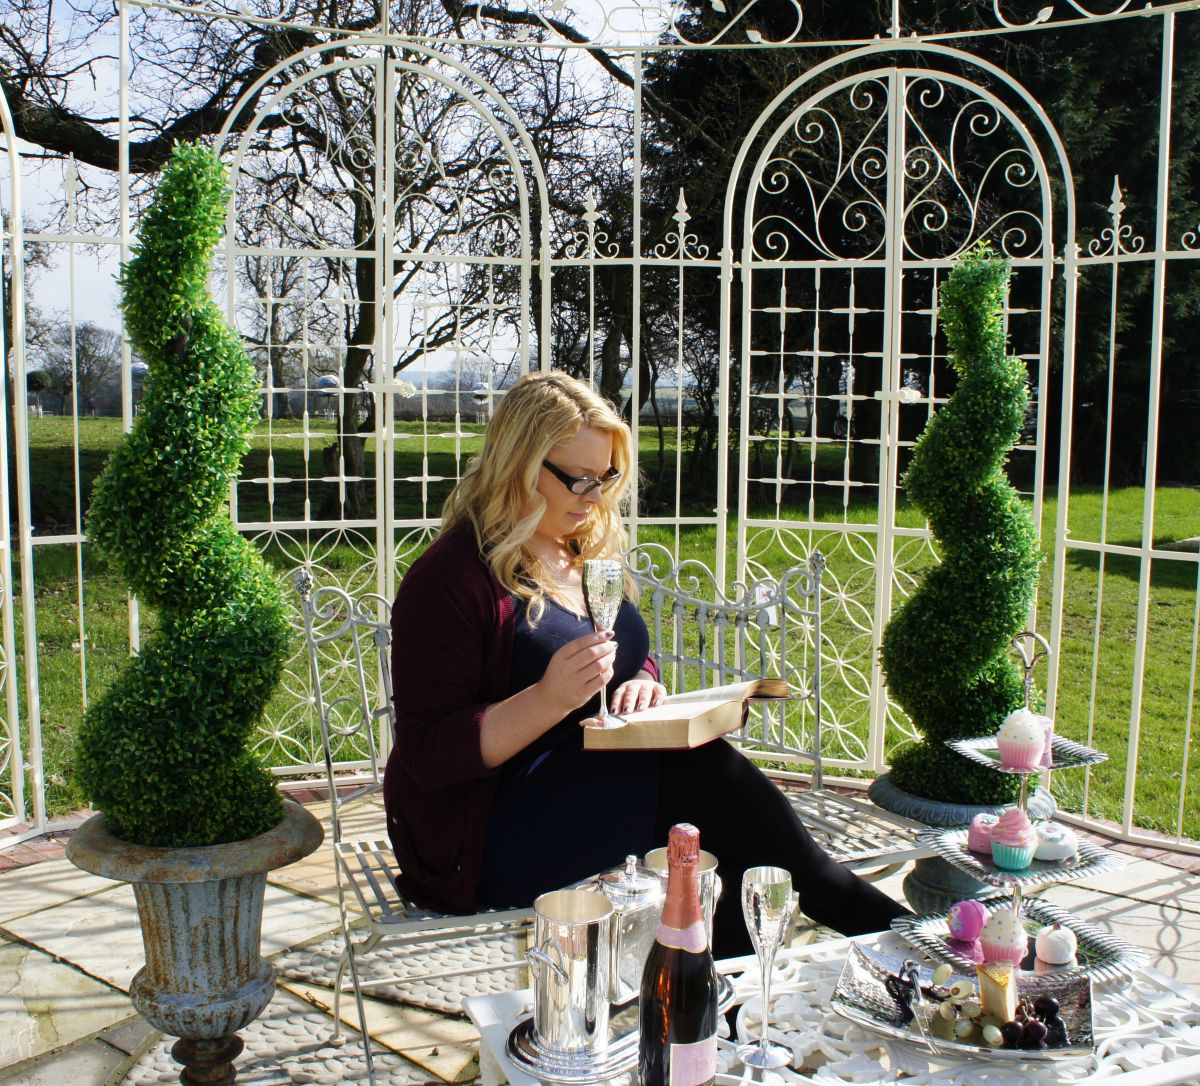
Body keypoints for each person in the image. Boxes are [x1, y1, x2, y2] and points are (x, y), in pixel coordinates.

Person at [384, 371, 909, 956]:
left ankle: (719, 1016)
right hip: (485, 830)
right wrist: (549, 698)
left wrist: (641, 680)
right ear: (518, 467)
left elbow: (629, 649)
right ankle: (880, 927)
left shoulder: (576, 547)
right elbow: (428, 756)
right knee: (703, 780)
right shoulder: (451, 580)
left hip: (592, 784)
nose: (597, 498)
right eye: (580, 480)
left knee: (718, 853)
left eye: (606, 478)